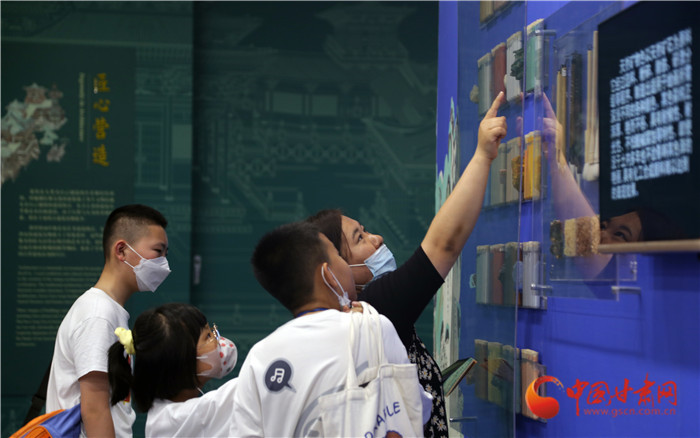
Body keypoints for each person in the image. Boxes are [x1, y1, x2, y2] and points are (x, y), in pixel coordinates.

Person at [307, 92, 507, 437]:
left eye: (365, 230)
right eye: (359, 239)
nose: (377, 239)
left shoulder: (335, 327)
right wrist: (482, 155)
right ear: (334, 270)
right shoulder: (373, 309)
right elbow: (444, 244)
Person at [231, 221, 432, 437]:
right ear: (329, 276)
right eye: (338, 256)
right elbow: (417, 408)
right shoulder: (371, 327)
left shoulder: (257, 359)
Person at [46, 204, 170, 437]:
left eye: (166, 253)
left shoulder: (108, 311)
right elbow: (94, 410)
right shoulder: (98, 314)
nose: (164, 263)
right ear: (121, 250)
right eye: (158, 251)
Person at [108, 303, 238, 437]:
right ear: (182, 362)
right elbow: (246, 386)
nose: (217, 340)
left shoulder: (164, 414)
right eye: (208, 336)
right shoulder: (179, 419)